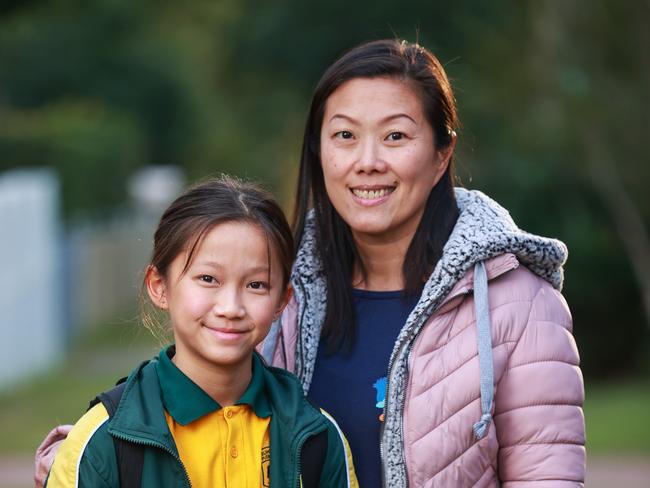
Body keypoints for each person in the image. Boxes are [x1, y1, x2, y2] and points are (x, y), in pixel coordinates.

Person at [37, 39, 585, 487]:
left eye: (395, 136)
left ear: (442, 155)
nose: (367, 161)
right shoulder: (283, 288)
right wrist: (91, 450)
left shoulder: (517, 304)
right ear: (319, 153)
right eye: (344, 135)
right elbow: (209, 395)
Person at [43, 177, 357, 487]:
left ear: (281, 301)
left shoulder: (317, 436)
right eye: (208, 279)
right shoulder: (103, 441)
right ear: (159, 286)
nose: (231, 307)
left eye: (256, 285)